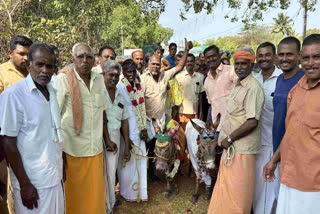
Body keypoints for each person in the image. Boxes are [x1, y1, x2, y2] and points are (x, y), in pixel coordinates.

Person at [0, 43, 64, 214]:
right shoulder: (13, 96)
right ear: (29, 65)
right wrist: (24, 184)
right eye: (39, 64)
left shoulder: (52, 92)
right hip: (32, 184)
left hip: (54, 178)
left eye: (49, 66)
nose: (44, 70)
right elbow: (7, 142)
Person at [54, 43, 114, 214]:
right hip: (73, 152)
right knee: (75, 199)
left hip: (95, 150)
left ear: (94, 59)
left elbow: (102, 112)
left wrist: (107, 140)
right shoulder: (63, 79)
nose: (85, 60)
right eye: (80, 56)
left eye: (88, 56)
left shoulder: (98, 79)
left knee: (95, 199)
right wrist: (58, 152)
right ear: (73, 58)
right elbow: (54, 117)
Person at [263, 34, 320, 214]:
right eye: (307, 58)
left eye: (317, 57)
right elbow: (291, 132)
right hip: (288, 174)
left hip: (312, 184)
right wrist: (273, 161)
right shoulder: (297, 89)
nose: (311, 63)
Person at [208, 48, 264, 214]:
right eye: (237, 64)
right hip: (231, 148)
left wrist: (230, 139)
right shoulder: (239, 84)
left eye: (243, 64)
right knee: (227, 190)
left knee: (238, 195)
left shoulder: (253, 87)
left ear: (251, 64)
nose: (239, 67)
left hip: (241, 150)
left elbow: (252, 121)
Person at [140, 38, 192, 181]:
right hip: (148, 121)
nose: (155, 66)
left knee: (159, 148)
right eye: (153, 64)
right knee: (148, 147)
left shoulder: (165, 75)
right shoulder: (142, 79)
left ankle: (156, 173)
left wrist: (187, 51)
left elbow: (179, 67)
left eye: (158, 64)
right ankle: (147, 177)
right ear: (148, 64)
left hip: (161, 120)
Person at [263, 37, 305, 202]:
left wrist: (273, 159)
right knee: (279, 197)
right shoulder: (280, 79)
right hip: (279, 149)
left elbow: (295, 127)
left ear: (299, 56)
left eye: (289, 54)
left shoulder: (303, 81)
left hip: (295, 154)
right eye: (281, 54)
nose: (284, 58)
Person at [0, 35, 33, 214]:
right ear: (10, 53)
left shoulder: (34, 73)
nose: (25, 58)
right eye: (21, 54)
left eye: (28, 54)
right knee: (10, 187)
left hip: (30, 141)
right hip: (7, 143)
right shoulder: (2, 73)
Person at [253, 42, 282, 214]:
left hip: (274, 144)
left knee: (269, 188)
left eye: (267, 55)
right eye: (260, 55)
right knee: (257, 187)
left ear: (275, 57)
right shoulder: (254, 80)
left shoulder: (282, 80)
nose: (263, 58)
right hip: (256, 142)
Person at [117, 59, 148, 202]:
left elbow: (141, 105)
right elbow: (121, 111)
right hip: (127, 128)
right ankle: (128, 193)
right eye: (128, 71)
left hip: (140, 127)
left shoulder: (138, 84)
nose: (131, 74)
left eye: (133, 71)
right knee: (128, 162)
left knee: (141, 160)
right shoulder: (120, 86)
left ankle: (141, 193)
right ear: (123, 71)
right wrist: (126, 136)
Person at [102, 60, 131, 212]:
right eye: (110, 75)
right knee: (101, 175)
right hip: (100, 139)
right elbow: (100, 118)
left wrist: (126, 145)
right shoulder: (98, 92)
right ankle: (103, 205)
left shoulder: (120, 96)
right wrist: (107, 140)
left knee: (111, 174)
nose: (113, 78)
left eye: (116, 75)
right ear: (103, 74)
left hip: (116, 139)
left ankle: (110, 206)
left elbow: (125, 122)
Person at [203, 45, 237, 136]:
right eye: (208, 58)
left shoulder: (231, 71)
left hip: (234, 126)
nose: (211, 59)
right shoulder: (206, 81)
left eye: (213, 56)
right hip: (217, 129)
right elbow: (212, 105)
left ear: (219, 56)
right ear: (205, 60)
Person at [175, 53, 204, 130]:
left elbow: (200, 95)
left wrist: (201, 111)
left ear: (194, 62)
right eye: (187, 61)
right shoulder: (179, 77)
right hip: (182, 112)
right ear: (185, 63)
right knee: (183, 136)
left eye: (191, 61)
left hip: (195, 112)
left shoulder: (199, 77)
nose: (189, 63)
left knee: (194, 136)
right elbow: (176, 96)